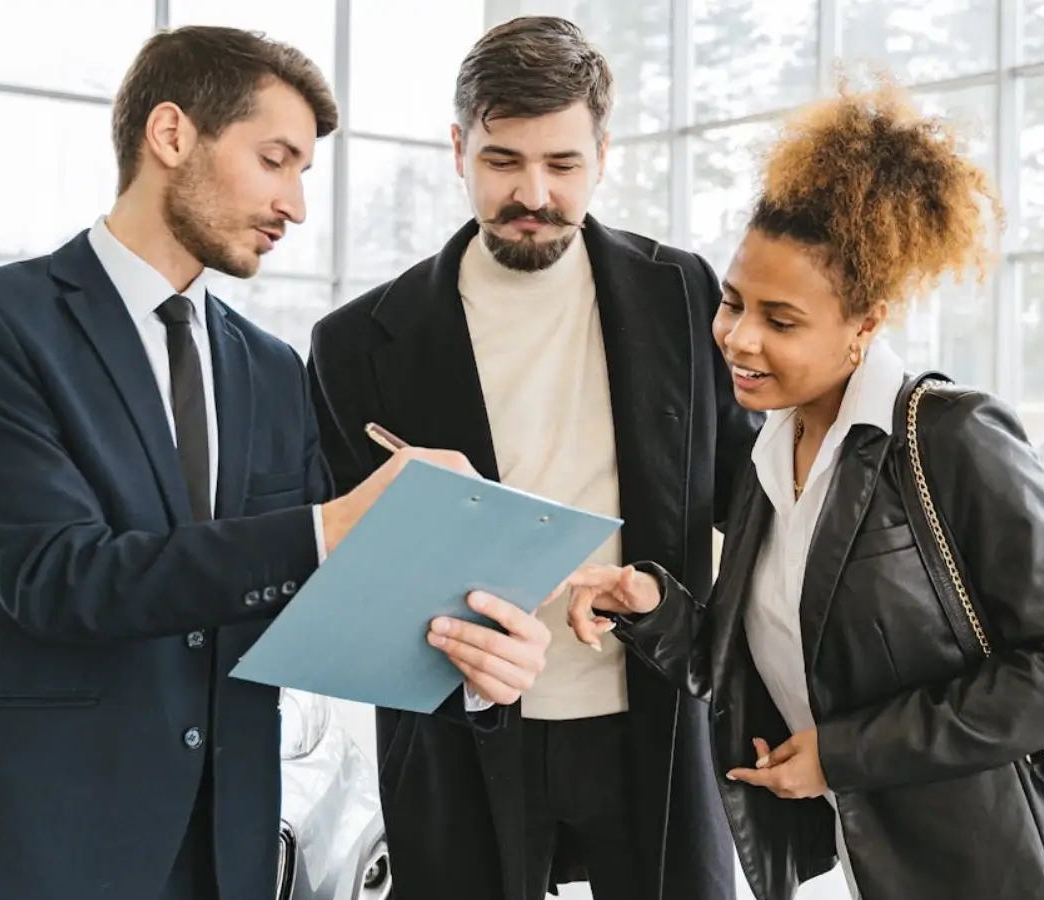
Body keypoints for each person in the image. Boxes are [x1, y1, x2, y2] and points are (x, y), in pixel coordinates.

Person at [0, 26, 550, 900]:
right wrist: (331, 525)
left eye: (303, 172)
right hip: (41, 838)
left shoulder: (272, 370)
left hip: (229, 848)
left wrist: (467, 649)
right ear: (171, 136)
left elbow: (314, 608)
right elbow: (54, 577)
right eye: (276, 160)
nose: (297, 205)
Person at [564, 78, 1044, 900]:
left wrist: (845, 752)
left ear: (866, 322)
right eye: (731, 302)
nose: (739, 338)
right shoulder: (771, 451)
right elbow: (758, 666)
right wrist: (652, 609)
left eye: (781, 320)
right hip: (876, 866)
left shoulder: (951, 437)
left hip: (999, 871)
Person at [307, 15, 761, 900]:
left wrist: (669, 603)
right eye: (503, 162)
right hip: (456, 735)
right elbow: (341, 572)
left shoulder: (685, 293)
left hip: (654, 719)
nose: (535, 195)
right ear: (457, 149)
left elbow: (748, 506)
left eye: (563, 165)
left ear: (603, 153)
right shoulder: (355, 344)